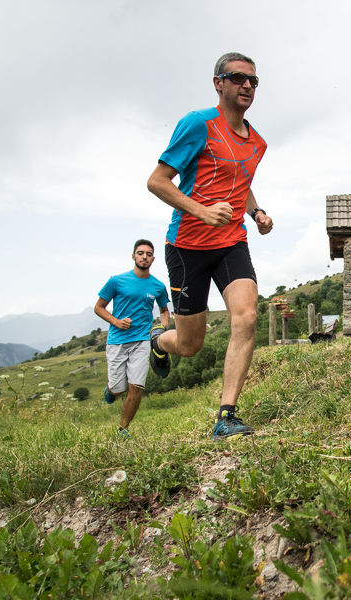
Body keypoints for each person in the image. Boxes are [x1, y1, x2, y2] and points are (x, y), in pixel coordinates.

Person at [147, 51, 274, 440]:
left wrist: (256, 212)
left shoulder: (258, 143)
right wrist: (201, 211)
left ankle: (227, 415)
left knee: (247, 317)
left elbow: (241, 180)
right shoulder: (198, 124)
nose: (247, 85)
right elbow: (158, 181)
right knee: (190, 344)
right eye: (238, 78)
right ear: (218, 82)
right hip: (187, 245)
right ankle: (159, 342)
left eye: (253, 80)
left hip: (231, 241)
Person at [94, 239, 170, 439]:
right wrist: (116, 322)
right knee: (119, 388)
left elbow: (164, 311)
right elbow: (99, 307)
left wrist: (161, 327)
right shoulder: (116, 281)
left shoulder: (158, 286)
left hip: (142, 341)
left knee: (136, 387)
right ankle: (111, 390)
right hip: (117, 340)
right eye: (140, 253)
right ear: (133, 256)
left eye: (148, 254)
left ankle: (123, 430)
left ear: (153, 258)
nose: (144, 256)